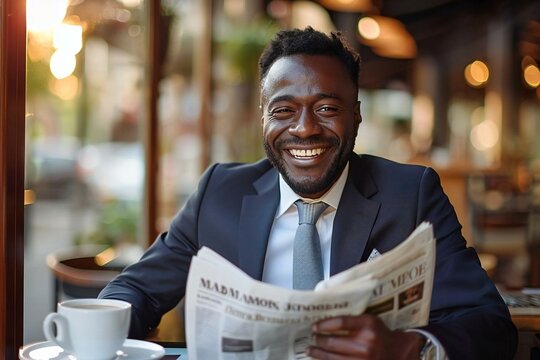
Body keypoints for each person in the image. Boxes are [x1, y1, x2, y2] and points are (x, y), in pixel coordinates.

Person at [99, 27, 517, 359]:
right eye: (284, 111)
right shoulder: (220, 193)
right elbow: (135, 290)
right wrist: (95, 334)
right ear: (264, 120)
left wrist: (409, 349)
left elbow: (489, 324)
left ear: (356, 115)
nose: (304, 129)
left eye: (326, 108)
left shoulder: (412, 195)